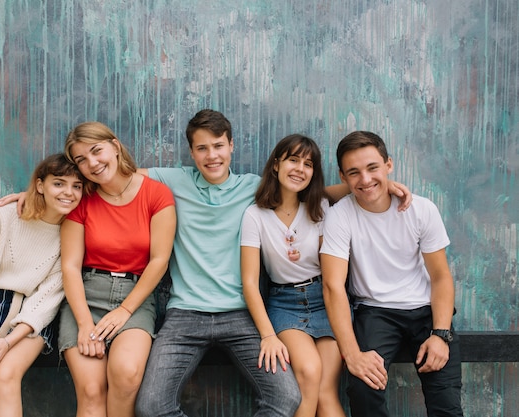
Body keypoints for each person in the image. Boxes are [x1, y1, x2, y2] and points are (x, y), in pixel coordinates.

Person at [134, 110, 412, 417]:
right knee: (306, 372)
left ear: (232, 146)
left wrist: (384, 183)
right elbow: (125, 175)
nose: (212, 155)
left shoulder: (278, 196)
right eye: (202, 148)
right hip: (233, 308)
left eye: (218, 146)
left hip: (286, 307)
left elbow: (318, 192)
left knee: (311, 393)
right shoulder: (228, 200)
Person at [320, 131, 463, 417]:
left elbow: (440, 276)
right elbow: (332, 285)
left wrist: (441, 334)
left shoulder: (422, 210)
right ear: (343, 177)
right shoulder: (339, 215)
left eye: (373, 168)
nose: (365, 179)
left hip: (425, 311)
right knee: (362, 390)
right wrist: (353, 355)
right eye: (354, 172)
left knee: (445, 403)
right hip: (375, 312)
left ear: (389, 164)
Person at [0, 153, 84, 417]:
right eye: (59, 183)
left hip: (30, 316)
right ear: (41, 185)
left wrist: (8, 341)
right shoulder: (4, 214)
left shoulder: (73, 231)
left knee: (5, 377)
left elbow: (48, 297)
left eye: (76, 186)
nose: (68, 192)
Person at [59, 121, 176, 417]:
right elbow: (70, 266)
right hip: (86, 298)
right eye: (81, 160)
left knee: (125, 375)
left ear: (115, 145)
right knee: (91, 390)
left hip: (135, 299)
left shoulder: (157, 194)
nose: (92, 164)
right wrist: (85, 324)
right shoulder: (81, 201)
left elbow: (159, 259)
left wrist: (125, 309)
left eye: (97, 151)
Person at [240, 134, 345, 417]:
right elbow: (250, 282)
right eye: (293, 160)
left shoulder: (319, 208)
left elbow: (352, 189)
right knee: (309, 372)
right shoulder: (255, 215)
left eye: (308, 164)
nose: (300, 169)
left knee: (326, 389)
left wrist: (390, 184)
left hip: (324, 300)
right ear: (276, 165)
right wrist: (267, 335)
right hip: (284, 303)